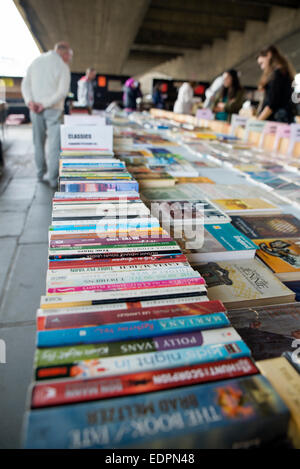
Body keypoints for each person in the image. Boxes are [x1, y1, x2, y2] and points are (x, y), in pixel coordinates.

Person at [21, 41, 72, 188]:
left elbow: (25, 84)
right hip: (53, 110)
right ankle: (52, 178)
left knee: (38, 142)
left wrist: (30, 102)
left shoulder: (37, 61)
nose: (69, 59)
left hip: (34, 109)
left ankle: (39, 173)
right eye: (69, 56)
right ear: (65, 53)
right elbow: (62, 92)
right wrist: (45, 104)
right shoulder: (63, 66)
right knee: (54, 145)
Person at [256, 45, 296, 123]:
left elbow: (272, 104)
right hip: (281, 118)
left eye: (261, 63)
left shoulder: (278, 74)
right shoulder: (283, 72)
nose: (262, 67)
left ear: (269, 55)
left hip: (276, 120)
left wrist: (257, 122)